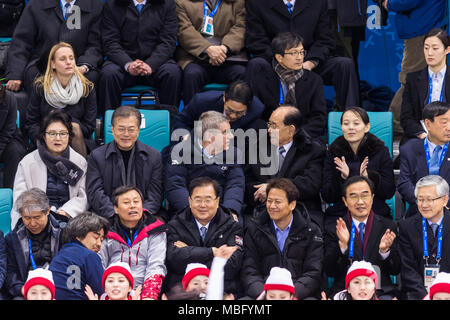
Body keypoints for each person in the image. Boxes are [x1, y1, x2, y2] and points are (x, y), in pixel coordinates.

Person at [245, 0, 360, 110]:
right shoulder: (256, 2)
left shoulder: (318, 2)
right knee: (256, 65)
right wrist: (282, 60)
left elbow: (325, 40)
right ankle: (253, 122)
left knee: (344, 65)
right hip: (276, 62)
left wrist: (310, 62)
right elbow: (256, 41)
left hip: (307, 61)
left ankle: (353, 118)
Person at [241, 178, 323, 300]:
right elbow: (249, 270)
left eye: (278, 202)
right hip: (264, 292)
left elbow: (313, 272)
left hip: (297, 294)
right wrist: (265, 295)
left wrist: (291, 295)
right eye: (269, 201)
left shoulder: (310, 231)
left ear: (292, 204)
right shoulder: (254, 229)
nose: (272, 206)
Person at [244, 106, 325, 228]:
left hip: (300, 209)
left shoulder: (312, 150)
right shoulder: (257, 146)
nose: (269, 130)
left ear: (291, 130)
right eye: (269, 124)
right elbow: (247, 182)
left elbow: (310, 184)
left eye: (274, 126)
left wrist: (271, 189)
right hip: (263, 209)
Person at [164, 177, 244, 297]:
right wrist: (212, 252)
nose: (202, 205)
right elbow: (174, 260)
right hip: (185, 294)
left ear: (217, 201)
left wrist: (189, 250)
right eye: (197, 200)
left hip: (222, 291)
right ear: (189, 201)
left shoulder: (232, 226)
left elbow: (232, 265)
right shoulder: (175, 224)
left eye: (208, 200)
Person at [323, 176, 400, 299]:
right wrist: (343, 246)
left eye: (364, 195)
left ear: (372, 198)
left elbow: (395, 269)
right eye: (353, 196)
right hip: (347, 290)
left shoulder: (387, 226)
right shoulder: (335, 227)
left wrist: (384, 252)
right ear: (345, 201)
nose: (360, 201)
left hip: (380, 290)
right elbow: (330, 271)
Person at [99, 0, 182, 112]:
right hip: (123, 63)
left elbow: (168, 42)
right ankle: (109, 124)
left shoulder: (167, 4)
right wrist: (128, 64)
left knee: (172, 73)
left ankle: (170, 121)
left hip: (156, 63)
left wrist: (151, 64)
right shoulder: (112, 5)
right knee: (109, 74)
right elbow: (110, 42)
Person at [5, 0, 104, 94]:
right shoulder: (36, 4)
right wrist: (15, 74)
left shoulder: (96, 5)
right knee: (33, 75)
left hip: (77, 64)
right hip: (43, 63)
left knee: (90, 78)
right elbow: (22, 41)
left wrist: (83, 66)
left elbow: (95, 45)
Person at [12, 110, 88, 229]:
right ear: (44, 136)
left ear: (69, 136)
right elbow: (20, 197)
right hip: (37, 219)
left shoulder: (79, 162)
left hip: (70, 219)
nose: (57, 138)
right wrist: (40, 214)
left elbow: (84, 196)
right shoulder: (27, 162)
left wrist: (65, 211)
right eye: (52, 133)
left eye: (63, 133)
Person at [86, 106, 163, 219]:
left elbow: (155, 195)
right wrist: (114, 213)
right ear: (112, 129)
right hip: (108, 216)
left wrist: (139, 215)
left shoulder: (154, 156)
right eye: (121, 129)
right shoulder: (97, 156)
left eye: (131, 129)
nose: (126, 134)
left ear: (138, 130)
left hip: (144, 216)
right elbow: (95, 193)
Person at [383, 0, 447, 137]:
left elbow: (406, 2)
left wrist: (389, 4)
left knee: (410, 78)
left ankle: (395, 122)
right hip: (426, 24)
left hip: (421, 27)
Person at [165, 111, 245, 220]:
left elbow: (235, 185)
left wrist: (229, 211)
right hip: (188, 210)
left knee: (236, 226)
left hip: (222, 210)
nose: (231, 136)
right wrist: (193, 212)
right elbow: (176, 185)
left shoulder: (234, 154)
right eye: (225, 132)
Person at [246, 32, 327, 138]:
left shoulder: (314, 80)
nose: (299, 57)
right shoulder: (262, 78)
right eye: (294, 53)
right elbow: (255, 114)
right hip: (270, 135)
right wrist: (272, 132)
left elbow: (318, 118)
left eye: (302, 52)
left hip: (302, 137)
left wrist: (296, 135)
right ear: (279, 57)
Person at [321, 107, 396, 220]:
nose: (351, 127)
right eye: (346, 124)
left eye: (356, 123)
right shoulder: (333, 152)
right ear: (341, 127)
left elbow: (389, 191)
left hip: (375, 212)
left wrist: (368, 177)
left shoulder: (380, 150)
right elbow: (327, 196)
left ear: (367, 127)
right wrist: (342, 178)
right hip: (342, 213)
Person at [25, 42, 97, 157]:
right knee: (54, 132)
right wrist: (50, 132)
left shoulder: (87, 89)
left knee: (74, 127)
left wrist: (64, 125)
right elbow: (31, 123)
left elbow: (89, 127)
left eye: (71, 58)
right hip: (46, 139)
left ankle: (80, 173)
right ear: (53, 64)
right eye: (62, 59)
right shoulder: (40, 87)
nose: (69, 62)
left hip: (77, 140)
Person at [98, 186, 167, 300]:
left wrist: (148, 296)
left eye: (136, 201)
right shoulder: (105, 231)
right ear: (116, 208)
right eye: (126, 202)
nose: (132, 206)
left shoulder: (155, 228)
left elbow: (156, 265)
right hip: (113, 290)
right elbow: (100, 264)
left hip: (145, 291)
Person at [175, 0, 247, 104]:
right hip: (195, 58)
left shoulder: (239, 2)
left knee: (242, 74)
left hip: (229, 58)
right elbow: (184, 30)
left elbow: (241, 27)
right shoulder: (181, 2)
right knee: (191, 75)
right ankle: (195, 120)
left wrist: (224, 48)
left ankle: (235, 118)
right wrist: (207, 48)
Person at [5, 188, 66, 300]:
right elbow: (10, 273)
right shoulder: (13, 238)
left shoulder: (64, 233)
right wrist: (22, 289)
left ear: (47, 211)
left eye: (37, 217)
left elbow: (72, 269)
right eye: (27, 218)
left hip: (58, 290)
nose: (32, 223)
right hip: (26, 291)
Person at [398, 175, 450, 300]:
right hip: (417, 294)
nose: (424, 205)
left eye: (430, 199)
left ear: (444, 200)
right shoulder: (407, 227)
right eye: (420, 199)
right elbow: (408, 269)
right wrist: (426, 297)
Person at [397, 102, 450, 217]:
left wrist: (441, 203)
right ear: (428, 124)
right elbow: (404, 183)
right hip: (419, 210)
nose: (449, 128)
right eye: (444, 122)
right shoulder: (410, 148)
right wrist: (423, 202)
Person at [400, 28, 450, 144]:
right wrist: (423, 135)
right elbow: (406, 117)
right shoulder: (413, 79)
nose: (430, 53)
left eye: (435, 48)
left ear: (447, 49)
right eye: (426, 48)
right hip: (421, 136)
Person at [49, 211, 109, 300]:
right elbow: (102, 293)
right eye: (96, 237)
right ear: (79, 235)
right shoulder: (89, 256)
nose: (99, 244)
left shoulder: (58, 256)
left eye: (101, 240)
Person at [173, 80, 264, 132]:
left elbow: (247, 140)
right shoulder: (201, 102)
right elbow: (181, 121)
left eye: (239, 113)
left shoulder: (256, 110)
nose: (233, 116)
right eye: (229, 110)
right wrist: (186, 137)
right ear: (224, 97)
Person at [0, 85, 27, 189]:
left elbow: (9, 129)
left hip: (7, 138)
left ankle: (11, 192)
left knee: (15, 151)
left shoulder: (9, 98)